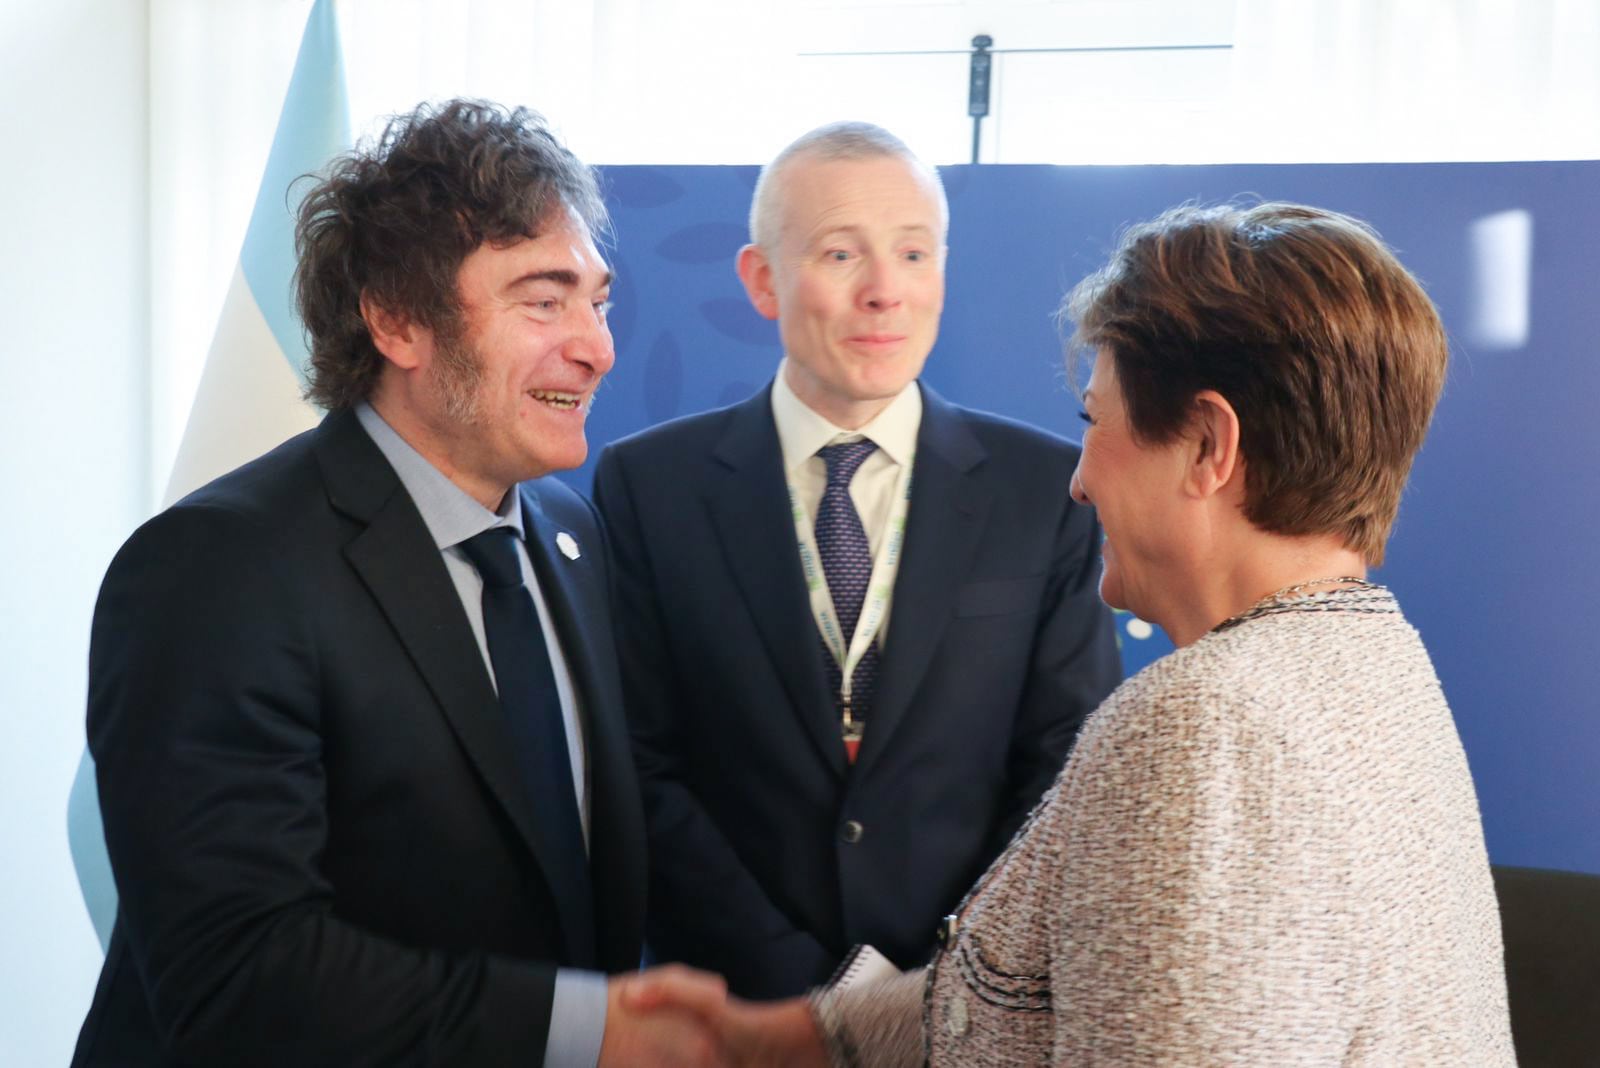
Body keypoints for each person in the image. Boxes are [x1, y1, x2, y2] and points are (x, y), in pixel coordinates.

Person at [701, 201, 1517, 1064]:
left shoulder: (1204, 725)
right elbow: (1030, 994)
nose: (1080, 480)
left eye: (1096, 423)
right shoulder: (1372, 661)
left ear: (1207, 444)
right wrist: (796, 1038)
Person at [72, 99, 727, 1068]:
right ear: (396, 319)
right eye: (543, 300)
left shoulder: (571, 538)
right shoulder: (213, 571)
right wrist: (583, 1033)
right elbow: (239, 977)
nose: (597, 346)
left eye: (597, 299)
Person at [591, 122, 1122, 999]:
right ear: (762, 281)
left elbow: (1065, 769)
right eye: (841, 254)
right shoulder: (650, 487)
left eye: (914, 254)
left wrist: (935, 986)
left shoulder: (1043, 491)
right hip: (738, 1013)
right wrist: (803, 996)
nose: (886, 291)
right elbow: (640, 769)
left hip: (965, 1011)